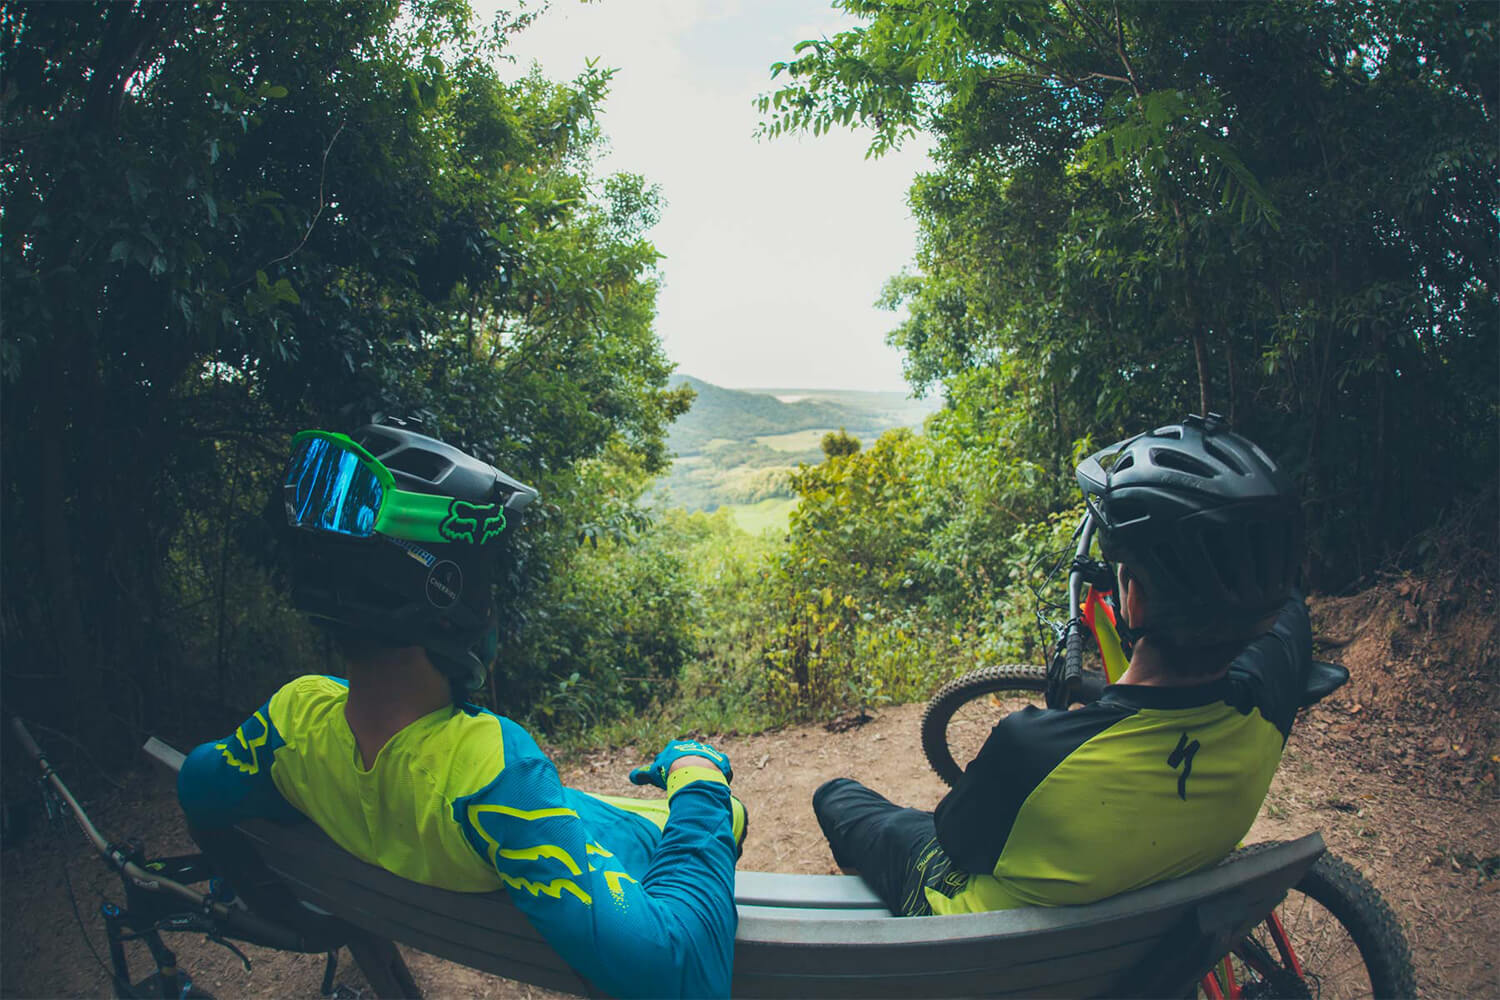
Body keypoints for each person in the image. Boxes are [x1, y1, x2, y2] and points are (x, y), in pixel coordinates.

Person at [177, 423, 746, 999]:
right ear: (451, 597)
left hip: (502, 843)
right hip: (627, 856)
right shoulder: (491, 773)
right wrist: (698, 778)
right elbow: (679, 976)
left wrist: (287, 912)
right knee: (725, 811)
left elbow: (199, 782)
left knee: (601, 806)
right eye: (487, 580)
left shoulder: (293, 721)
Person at [813, 414, 1310, 916]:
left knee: (839, 798)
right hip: (1147, 933)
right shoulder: (1274, 690)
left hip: (972, 938)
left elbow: (955, 842)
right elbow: (1290, 608)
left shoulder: (1031, 750)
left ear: (1132, 600)